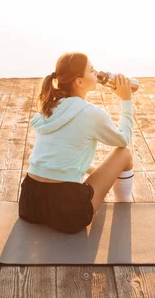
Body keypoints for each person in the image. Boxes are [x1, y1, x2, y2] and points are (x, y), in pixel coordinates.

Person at [19, 52, 135, 234]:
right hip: (67, 211)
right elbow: (123, 139)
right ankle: (124, 203)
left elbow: (61, 158)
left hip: (30, 202)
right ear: (79, 81)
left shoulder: (49, 108)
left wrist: (98, 172)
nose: (96, 73)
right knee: (124, 153)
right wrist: (126, 100)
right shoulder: (91, 113)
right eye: (91, 70)